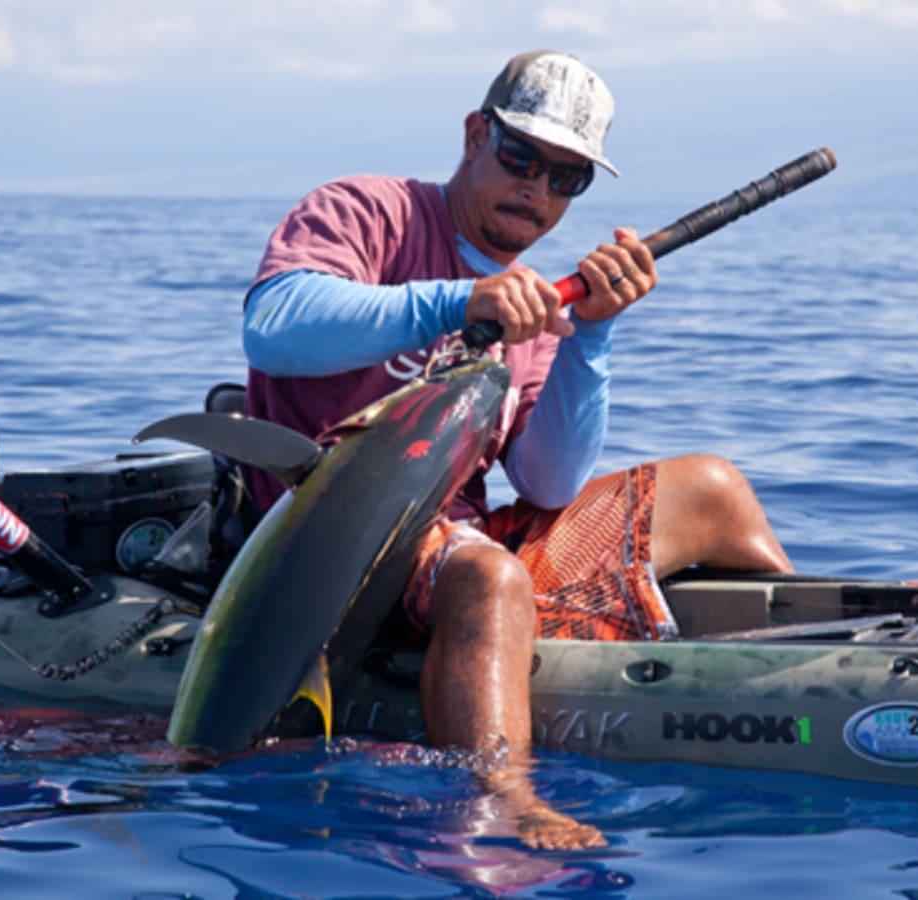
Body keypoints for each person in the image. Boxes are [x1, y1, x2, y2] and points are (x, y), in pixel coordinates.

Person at [241, 50, 793, 850]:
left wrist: (592, 337)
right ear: (475, 135)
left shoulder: (536, 304)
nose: (536, 191)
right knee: (489, 574)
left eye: (567, 178)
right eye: (520, 158)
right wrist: (456, 301)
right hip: (330, 542)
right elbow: (275, 327)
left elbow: (547, 478)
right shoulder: (368, 212)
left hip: (451, 542)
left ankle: (822, 657)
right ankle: (503, 798)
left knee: (714, 488)